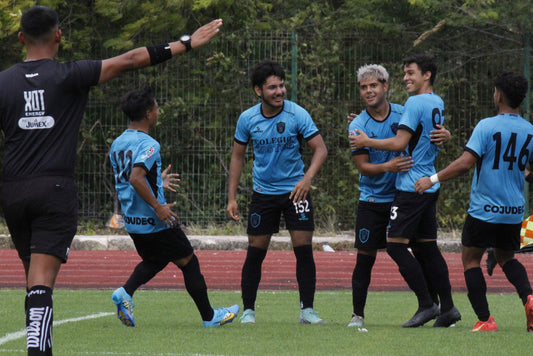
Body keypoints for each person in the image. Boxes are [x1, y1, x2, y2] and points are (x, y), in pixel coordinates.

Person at [0, 5, 222, 354]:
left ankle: (37, 345)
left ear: (20, 38)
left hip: (12, 191)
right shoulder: (69, 75)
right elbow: (130, 59)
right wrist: (187, 43)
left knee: (33, 282)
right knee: (41, 282)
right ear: (59, 36)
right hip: (53, 189)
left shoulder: (3, 82)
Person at [109, 88, 239, 328]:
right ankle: (210, 317)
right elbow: (136, 178)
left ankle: (125, 292)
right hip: (155, 221)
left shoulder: (117, 143)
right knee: (189, 261)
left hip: (133, 221)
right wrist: (158, 206)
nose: (159, 112)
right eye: (157, 108)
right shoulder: (150, 144)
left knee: (156, 260)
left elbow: (130, 179)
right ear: (148, 114)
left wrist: (158, 182)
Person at [415, 71, 533, 332]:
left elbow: (465, 163)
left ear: (499, 95)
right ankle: (529, 297)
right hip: (513, 211)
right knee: (507, 258)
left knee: (470, 260)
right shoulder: (530, 130)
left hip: (484, 209)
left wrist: (431, 179)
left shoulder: (487, 126)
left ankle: (485, 319)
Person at [349, 54, 461, 328]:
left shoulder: (409, 105)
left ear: (427, 75)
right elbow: (426, 133)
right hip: (419, 186)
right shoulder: (436, 101)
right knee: (428, 249)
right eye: (363, 87)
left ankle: (427, 304)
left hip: (411, 187)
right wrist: (444, 134)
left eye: (411, 73)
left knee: (396, 247)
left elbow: (401, 143)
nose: (406, 78)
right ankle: (447, 308)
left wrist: (368, 140)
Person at [226, 59, 328, 324]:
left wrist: (306, 180)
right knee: (255, 252)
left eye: (281, 86)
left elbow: (321, 149)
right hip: (263, 194)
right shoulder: (247, 119)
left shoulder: (297, 114)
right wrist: (232, 197)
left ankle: (307, 311)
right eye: (272, 88)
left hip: (297, 192)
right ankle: (249, 311)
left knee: (304, 251)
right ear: (259, 91)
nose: (279, 92)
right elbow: (237, 156)